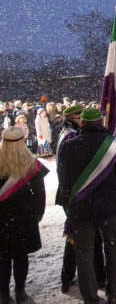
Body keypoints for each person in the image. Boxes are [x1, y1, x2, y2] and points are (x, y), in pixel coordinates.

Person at [57, 107, 116, 304]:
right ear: (101, 123)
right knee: (112, 250)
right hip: (109, 207)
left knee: (84, 254)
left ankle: (90, 297)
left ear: (83, 123)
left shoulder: (69, 146)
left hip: (81, 208)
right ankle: (113, 292)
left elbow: (64, 181)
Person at [0, 127, 49, 304]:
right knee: (21, 256)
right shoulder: (31, 163)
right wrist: (38, 213)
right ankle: (20, 291)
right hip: (24, 217)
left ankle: (4, 294)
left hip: (2, 218)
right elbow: (40, 193)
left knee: (3, 257)